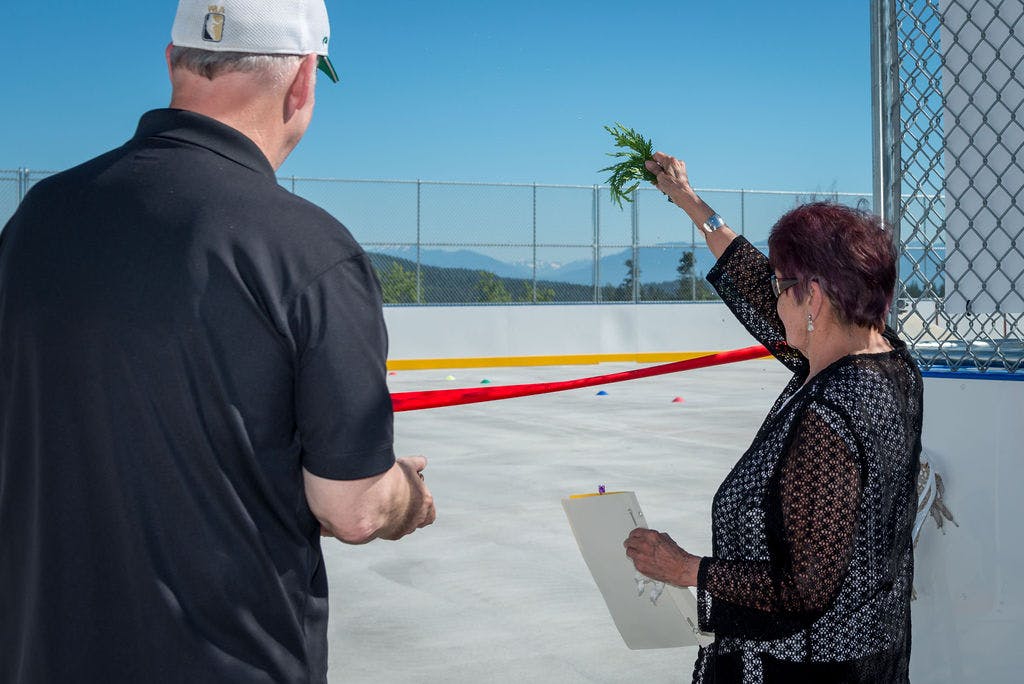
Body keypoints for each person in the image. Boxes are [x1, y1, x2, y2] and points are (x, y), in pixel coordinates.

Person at [0, 1, 435, 682]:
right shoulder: (307, 250)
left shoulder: (36, 219)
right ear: (302, 82)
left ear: (174, 61)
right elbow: (350, 509)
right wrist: (406, 494)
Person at [625, 152, 922, 683]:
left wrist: (684, 567)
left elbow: (803, 588)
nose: (772, 296)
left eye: (782, 284)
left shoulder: (830, 414)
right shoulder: (887, 362)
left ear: (812, 297)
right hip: (869, 655)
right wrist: (691, 203)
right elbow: (755, 286)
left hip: (804, 668)